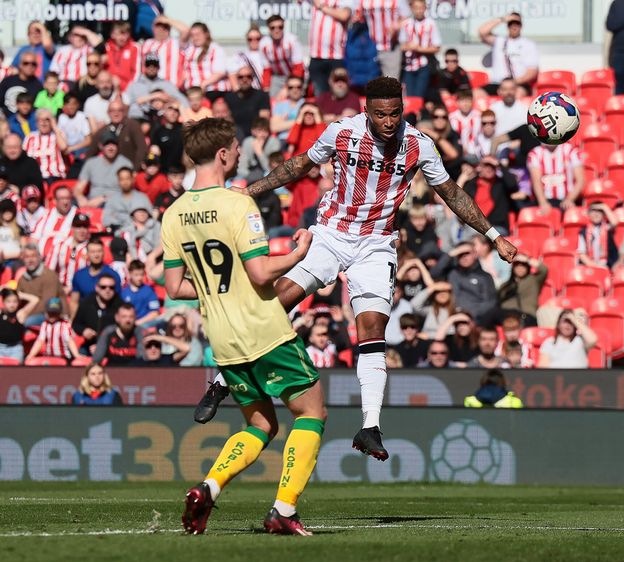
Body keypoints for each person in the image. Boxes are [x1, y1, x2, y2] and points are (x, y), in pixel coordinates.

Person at [220, 78, 516, 463]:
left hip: (376, 244)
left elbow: (453, 194)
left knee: (374, 327)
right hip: (330, 234)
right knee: (279, 300)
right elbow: (298, 164)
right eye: (380, 114)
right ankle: (223, 377)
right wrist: (253, 190)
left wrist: (494, 236)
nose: (389, 121)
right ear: (366, 111)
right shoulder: (342, 132)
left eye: (395, 113)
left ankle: (370, 426)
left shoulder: (419, 145)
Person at [162, 118, 325, 535]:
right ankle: (283, 512)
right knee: (311, 411)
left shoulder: (174, 213)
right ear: (222, 154)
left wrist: (218, 293)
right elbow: (259, 273)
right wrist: (299, 253)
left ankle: (209, 488)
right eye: (235, 148)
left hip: (222, 338)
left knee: (261, 425)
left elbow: (176, 286)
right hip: (263, 327)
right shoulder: (237, 203)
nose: (238, 154)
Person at [478, 12, 538, 95]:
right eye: (511, 24)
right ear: (507, 26)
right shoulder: (498, 41)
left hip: (518, 83)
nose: (514, 26)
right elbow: (482, 32)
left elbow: (532, 72)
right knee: (477, 93)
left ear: (521, 25)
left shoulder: (528, 44)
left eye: (517, 23)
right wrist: (502, 19)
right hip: (497, 83)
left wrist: (512, 82)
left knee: (519, 93)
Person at [307, 0, 354, 96]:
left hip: (336, 56)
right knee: (320, 95)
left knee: (338, 94)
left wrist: (322, 7)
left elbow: (344, 15)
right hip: (316, 56)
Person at [75, 131, 134, 207]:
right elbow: (79, 187)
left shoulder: (125, 164)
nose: (111, 148)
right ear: (101, 146)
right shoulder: (91, 163)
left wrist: (104, 198)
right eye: (107, 144)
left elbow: (127, 191)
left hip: (115, 202)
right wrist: (80, 198)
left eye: (113, 144)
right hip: (91, 201)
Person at [15, 243, 67, 327]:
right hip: (30, 311)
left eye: (33, 256)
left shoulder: (49, 275)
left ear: (39, 257)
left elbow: (47, 304)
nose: (30, 260)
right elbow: (17, 299)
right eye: (27, 257)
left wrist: (25, 314)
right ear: (23, 259)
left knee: (27, 322)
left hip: (52, 313)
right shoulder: (22, 279)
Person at [357, 0, 410, 80]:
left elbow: (407, 18)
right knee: (370, 84)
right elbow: (358, 18)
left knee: (390, 84)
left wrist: (397, 26)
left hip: (391, 48)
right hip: (370, 49)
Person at [399, 0, 441, 100]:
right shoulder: (406, 24)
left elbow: (437, 47)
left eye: (421, 8)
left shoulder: (431, 24)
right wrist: (410, 47)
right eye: (416, 8)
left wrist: (419, 49)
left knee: (419, 96)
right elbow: (401, 46)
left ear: (425, 8)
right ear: (412, 9)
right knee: (409, 96)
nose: (418, 11)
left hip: (424, 66)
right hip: (408, 66)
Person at [125, 54, 187, 121]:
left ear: (159, 67)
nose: (151, 68)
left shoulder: (167, 84)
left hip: (162, 122)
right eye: (148, 65)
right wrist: (156, 95)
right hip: (138, 120)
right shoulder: (134, 85)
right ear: (144, 67)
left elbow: (184, 103)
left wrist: (168, 99)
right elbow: (126, 104)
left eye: (154, 66)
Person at [72, 271, 122, 353]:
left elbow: (124, 332)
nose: (107, 290)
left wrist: (103, 346)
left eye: (111, 287)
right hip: (88, 345)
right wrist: (84, 330)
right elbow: (76, 324)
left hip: (112, 347)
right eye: (103, 287)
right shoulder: (86, 303)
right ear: (97, 288)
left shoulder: (120, 306)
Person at [528, 141, 584, 211]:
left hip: (566, 198)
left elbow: (580, 180)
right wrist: (543, 203)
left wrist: (569, 199)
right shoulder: (535, 153)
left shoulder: (570, 150)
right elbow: (536, 181)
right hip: (547, 199)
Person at [259, 15, 305, 98]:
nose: (277, 30)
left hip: (294, 75)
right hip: (277, 77)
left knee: (295, 96)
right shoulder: (264, 44)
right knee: (270, 98)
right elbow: (266, 70)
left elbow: (299, 67)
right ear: (268, 29)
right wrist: (265, 88)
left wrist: (287, 87)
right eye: (273, 28)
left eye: (280, 27)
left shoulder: (292, 40)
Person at [224, 66, 271, 141]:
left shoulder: (262, 96)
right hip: (235, 137)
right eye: (241, 77)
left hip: (256, 137)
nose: (244, 79)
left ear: (252, 78)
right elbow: (227, 120)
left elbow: (264, 120)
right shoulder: (229, 97)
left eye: (248, 76)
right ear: (237, 79)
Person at [26, 297, 80, 362]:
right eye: (50, 313)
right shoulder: (45, 324)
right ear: (46, 313)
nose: (52, 316)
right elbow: (40, 341)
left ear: (60, 313)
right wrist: (31, 355)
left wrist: (77, 355)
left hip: (63, 357)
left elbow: (69, 340)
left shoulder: (64, 324)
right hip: (49, 356)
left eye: (55, 313)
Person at [182, 23, 229, 95]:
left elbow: (220, 72)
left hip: (213, 90)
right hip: (191, 92)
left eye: (198, 35)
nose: (195, 38)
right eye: (192, 35)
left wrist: (203, 84)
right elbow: (183, 31)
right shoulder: (188, 49)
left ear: (206, 34)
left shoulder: (215, 49)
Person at [48, 214, 92, 291]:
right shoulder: (59, 246)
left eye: (85, 227)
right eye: (78, 226)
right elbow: (49, 271)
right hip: (60, 289)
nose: (82, 231)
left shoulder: (91, 249)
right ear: (72, 228)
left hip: (82, 291)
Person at [100, 22, 142, 91]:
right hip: (108, 87)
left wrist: (127, 87)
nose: (122, 38)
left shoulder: (134, 47)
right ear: (112, 35)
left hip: (128, 89)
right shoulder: (106, 47)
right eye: (119, 34)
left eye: (125, 34)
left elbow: (136, 72)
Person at [0, 51, 43, 117]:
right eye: (26, 63)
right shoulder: (7, 81)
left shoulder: (38, 86)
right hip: (5, 122)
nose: (30, 66)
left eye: (33, 64)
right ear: (20, 64)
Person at [239, 118, 281, 182]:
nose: (262, 134)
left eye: (265, 131)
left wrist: (260, 153)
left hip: (267, 176)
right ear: (252, 131)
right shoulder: (247, 142)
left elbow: (272, 170)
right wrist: (249, 177)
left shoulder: (274, 142)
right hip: (250, 175)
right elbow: (242, 167)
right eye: (259, 131)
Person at [577, 202, 618, 267]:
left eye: (599, 211)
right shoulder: (583, 231)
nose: (596, 214)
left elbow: (615, 223)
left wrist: (604, 207)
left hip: (607, 264)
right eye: (593, 211)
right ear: (588, 214)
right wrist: (593, 266)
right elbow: (582, 253)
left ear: (604, 214)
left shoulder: (607, 228)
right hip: (590, 265)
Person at [120, 259, 160, 326]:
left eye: (141, 275)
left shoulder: (149, 291)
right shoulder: (124, 292)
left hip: (144, 325)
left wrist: (137, 323)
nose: (139, 278)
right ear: (129, 274)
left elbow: (155, 313)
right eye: (136, 275)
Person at [0, 287, 31, 362]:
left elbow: (35, 300)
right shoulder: (0, 313)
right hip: (1, 349)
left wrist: (21, 295)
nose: (12, 304)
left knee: (15, 372)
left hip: (16, 349)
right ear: (3, 302)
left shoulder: (20, 315)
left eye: (15, 301)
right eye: (8, 301)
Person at [270, 76, 305, 142]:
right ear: (287, 89)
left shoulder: (307, 104)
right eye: (291, 87)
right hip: (283, 140)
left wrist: (283, 123)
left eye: (298, 87)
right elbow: (274, 127)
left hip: (301, 140)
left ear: (302, 88)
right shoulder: (280, 105)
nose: (295, 90)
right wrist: (299, 121)